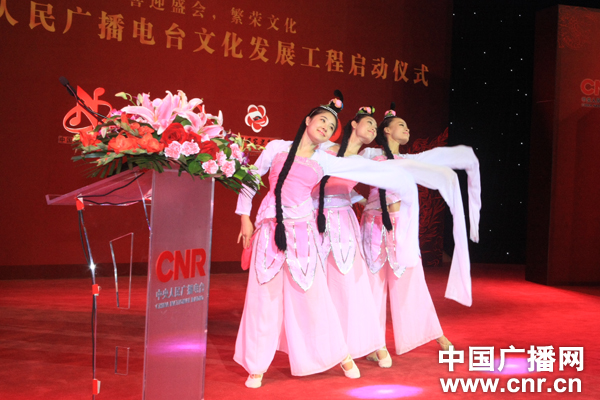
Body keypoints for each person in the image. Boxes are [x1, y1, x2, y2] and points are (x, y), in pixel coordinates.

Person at [234, 92, 422, 388]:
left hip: (303, 232)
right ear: (308, 120)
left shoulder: (325, 159)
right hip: (270, 229)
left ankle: (339, 353)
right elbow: (250, 179)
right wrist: (245, 217)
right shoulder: (277, 148)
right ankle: (256, 365)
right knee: (263, 299)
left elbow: (362, 172)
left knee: (313, 297)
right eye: (322, 120)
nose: (325, 127)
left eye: (331, 125)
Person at [359, 103, 481, 356]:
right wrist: (359, 200)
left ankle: (433, 332)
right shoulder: (370, 154)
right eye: (401, 125)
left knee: (411, 281)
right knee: (372, 284)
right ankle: (372, 343)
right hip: (374, 225)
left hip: (401, 227)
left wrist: (464, 158)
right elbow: (343, 172)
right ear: (387, 131)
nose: (407, 129)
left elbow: (438, 158)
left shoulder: (410, 159)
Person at [311, 106, 390, 368]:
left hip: (344, 220)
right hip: (314, 216)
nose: (373, 129)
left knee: (347, 281)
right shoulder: (325, 149)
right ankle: (320, 343)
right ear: (354, 124)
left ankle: (362, 342)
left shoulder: (365, 161)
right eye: (369, 123)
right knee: (316, 281)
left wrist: (362, 199)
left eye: (376, 128)